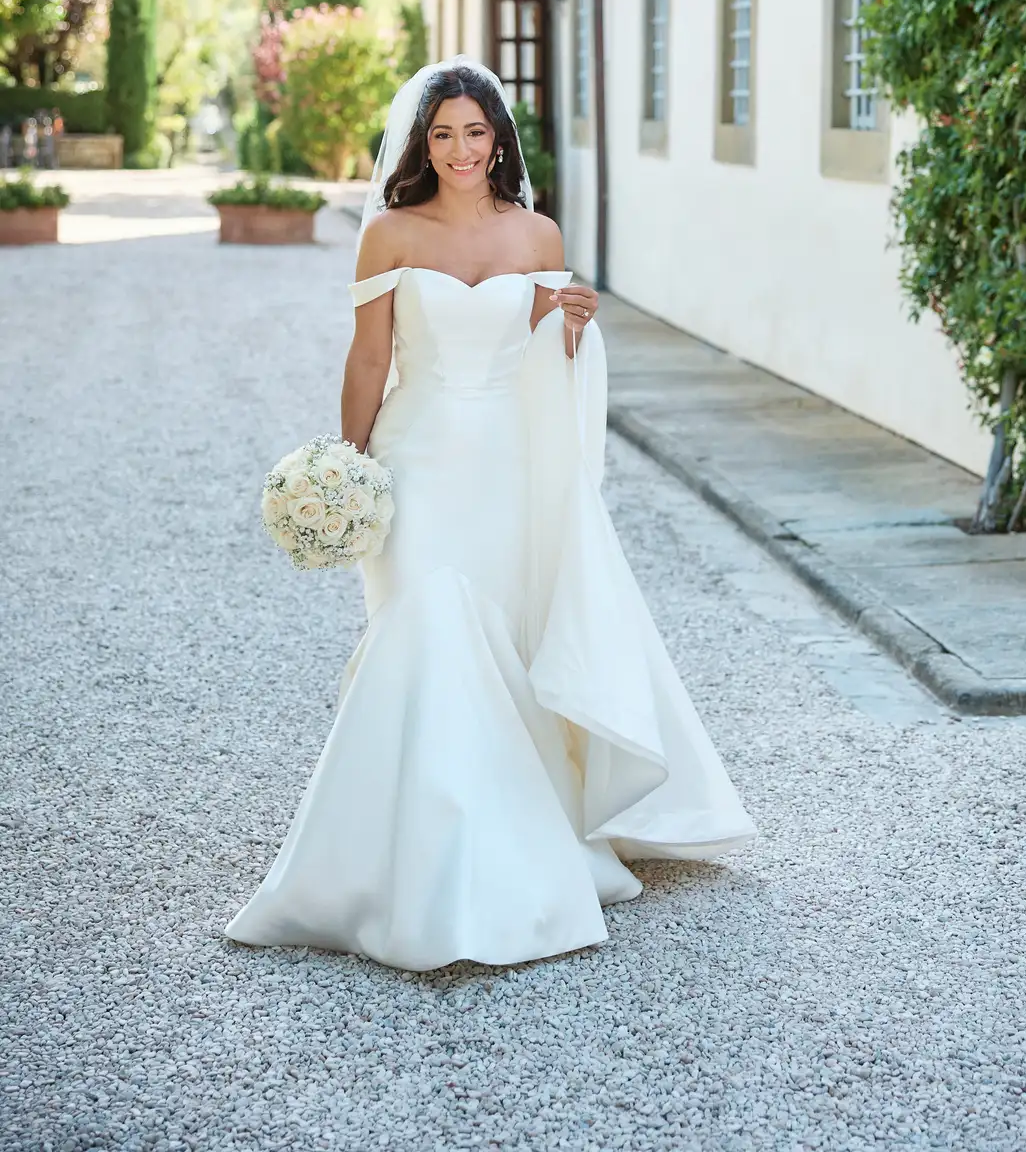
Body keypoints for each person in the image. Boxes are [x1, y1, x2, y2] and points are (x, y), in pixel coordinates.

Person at [226, 57, 754, 972]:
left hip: (507, 467)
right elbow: (369, 359)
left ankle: (500, 853)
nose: (460, 149)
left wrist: (577, 330)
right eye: (442, 134)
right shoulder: (389, 232)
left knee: (499, 642)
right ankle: (399, 870)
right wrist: (348, 468)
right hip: (417, 458)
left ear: (499, 141)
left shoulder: (537, 232)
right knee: (427, 625)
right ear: (422, 145)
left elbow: (546, 358)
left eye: (475, 132)